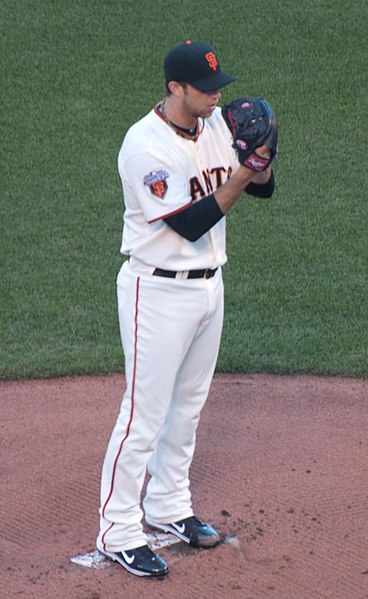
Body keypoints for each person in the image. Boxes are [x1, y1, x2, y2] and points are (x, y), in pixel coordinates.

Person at [97, 40, 275, 578]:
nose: (216, 97)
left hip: (208, 287)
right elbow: (191, 223)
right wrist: (245, 172)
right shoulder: (144, 146)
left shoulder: (216, 123)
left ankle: (169, 506)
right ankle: (118, 529)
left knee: (189, 407)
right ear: (175, 87)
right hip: (155, 293)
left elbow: (264, 191)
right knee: (142, 416)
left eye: (218, 86)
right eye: (205, 89)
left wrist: (262, 157)